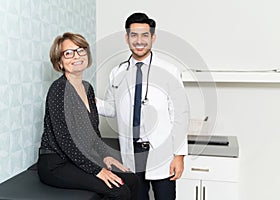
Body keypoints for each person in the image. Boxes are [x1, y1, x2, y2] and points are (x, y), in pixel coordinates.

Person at [97, 13, 189, 200]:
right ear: (127, 38)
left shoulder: (169, 70)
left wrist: (179, 155)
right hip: (131, 152)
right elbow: (111, 109)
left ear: (152, 37)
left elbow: (180, 114)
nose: (139, 41)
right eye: (134, 35)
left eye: (145, 35)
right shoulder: (117, 72)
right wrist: (87, 98)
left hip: (162, 151)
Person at [37, 32, 139, 200]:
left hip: (76, 160)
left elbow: (93, 132)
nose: (76, 56)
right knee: (119, 191)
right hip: (57, 163)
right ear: (60, 61)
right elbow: (65, 140)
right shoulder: (58, 90)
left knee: (132, 180)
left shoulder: (87, 88)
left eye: (80, 50)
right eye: (68, 53)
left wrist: (105, 155)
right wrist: (96, 169)